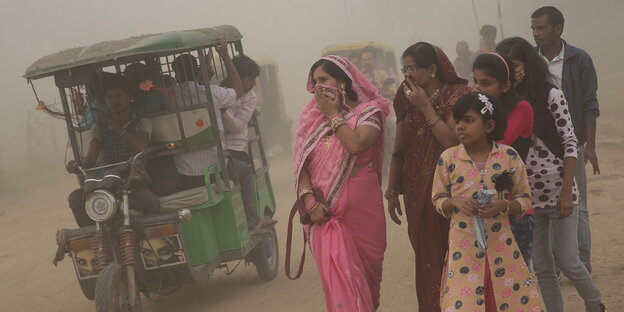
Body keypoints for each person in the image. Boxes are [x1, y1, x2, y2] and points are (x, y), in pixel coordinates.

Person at [497, 36, 607, 312]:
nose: (511, 71)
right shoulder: (504, 105)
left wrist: (567, 191)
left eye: (515, 64)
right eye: (505, 66)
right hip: (527, 197)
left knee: (569, 261)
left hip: (560, 192)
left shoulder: (551, 95)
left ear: (527, 64)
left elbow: (571, 144)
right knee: (543, 269)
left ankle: (595, 304)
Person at [432, 92, 546, 312]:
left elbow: (525, 199)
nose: (460, 127)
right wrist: (455, 202)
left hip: (501, 246)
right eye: (457, 121)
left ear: (489, 124)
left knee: (507, 301)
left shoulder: (508, 156)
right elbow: (437, 199)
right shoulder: (449, 159)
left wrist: (504, 206)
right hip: (462, 249)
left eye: (469, 120)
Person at [293, 55, 389, 311]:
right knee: (340, 285)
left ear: (343, 82)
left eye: (323, 79)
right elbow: (302, 164)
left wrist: (334, 115)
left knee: (368, 281)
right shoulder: (310, 120)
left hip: (363, 209)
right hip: (324, 212)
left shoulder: (369, 111)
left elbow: (356, 144)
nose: (317, 87)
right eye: (314, 82)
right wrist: (309, 200)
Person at [385, 42, 470, 311]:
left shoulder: (457, 95)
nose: (408, 75)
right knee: (428, 257)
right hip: (415, 189)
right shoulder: (405, 96)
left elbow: (453, 142)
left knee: (454, 254)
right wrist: (390, 190)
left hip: (451, 189)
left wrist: (424, 106)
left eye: (413, 68)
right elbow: (398, 148)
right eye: (405, 68)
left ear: (432, 69)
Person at [531, 6, 600, 275]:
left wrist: (590, 147)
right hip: (538, 150)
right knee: (543, 206)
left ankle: (582, 262)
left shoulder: (579, 60)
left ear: (558, 29)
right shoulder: (530, 63)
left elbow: (589, 104)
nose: (536, 33)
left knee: (577, 205)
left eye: (541, 28)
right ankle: (554, 265)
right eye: (533, 28)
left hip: (572, 145)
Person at [67, 75, 160, 227]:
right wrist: (75, 165)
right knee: (76, 198)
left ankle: (157, 242)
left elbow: (139, 146)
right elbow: (90, 160)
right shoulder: (99, 127)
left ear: (129, 98)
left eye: (118, 96)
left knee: (150, 202)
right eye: (109, 97)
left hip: (132, 182)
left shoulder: (142, 122)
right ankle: (95, 243)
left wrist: (111, 123)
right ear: (105, 101)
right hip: (106, 181)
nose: (114, 101)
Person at [472, 52, 536, 267]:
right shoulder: (482, 114)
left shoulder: (521, 108)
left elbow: (497, 144)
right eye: (476, 82)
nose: (478, 88)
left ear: (506, 85)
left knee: (516, 279)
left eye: (486, 83)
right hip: (483, 207)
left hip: (512, 209)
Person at [166, 37, 243, 190]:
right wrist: (225, 56)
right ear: (197, 72)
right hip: (216, 165)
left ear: (175, 75)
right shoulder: (211, 92)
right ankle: (251, 214)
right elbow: (238, 90)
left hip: (185, 170)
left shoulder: (169, 98)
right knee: (246, 172)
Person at [220, 55, 270, 233]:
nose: (253, 84)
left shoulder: (250, 97)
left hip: (236, 150)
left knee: (244, 171)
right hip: (217, 150)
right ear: (236, 77)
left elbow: (237, 127)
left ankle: (251, 219)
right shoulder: (218, 90)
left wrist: (222, 111)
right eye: (250, 79)